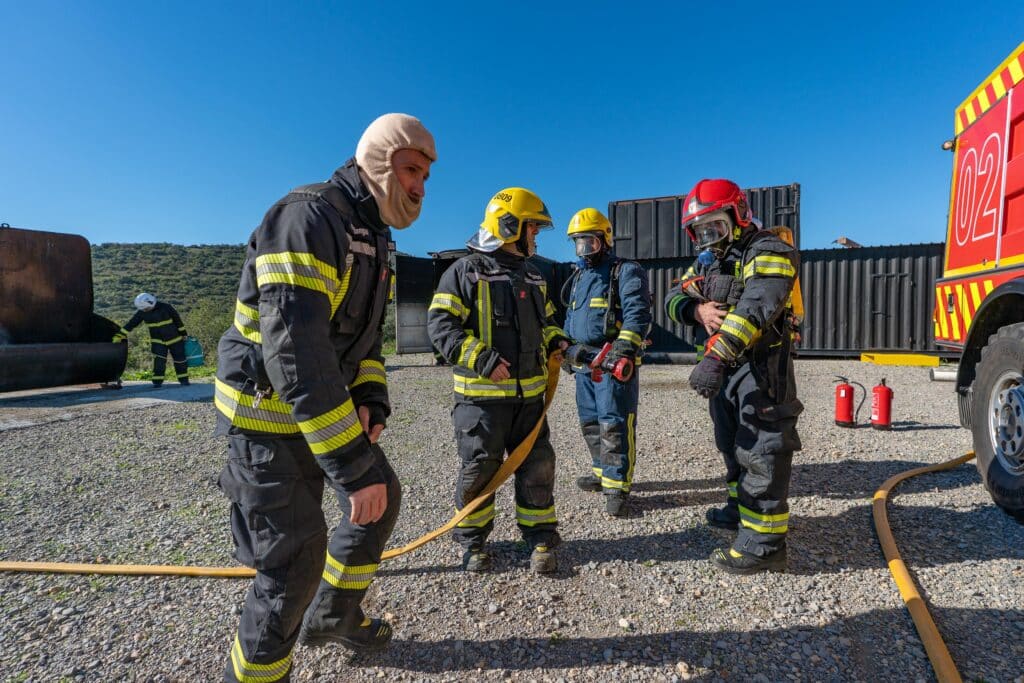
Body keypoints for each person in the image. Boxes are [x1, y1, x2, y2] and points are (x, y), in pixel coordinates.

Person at [213, 113, 436, 682]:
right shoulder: (309, 218)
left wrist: (372, 399)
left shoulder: (375, 236)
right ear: (378, 162)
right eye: (411, 170)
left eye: (426, 176)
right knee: (292, 565)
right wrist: (353, 467)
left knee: (380, 500)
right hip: (267, 418)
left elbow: (363, 343)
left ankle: (333, 616)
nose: (419, 186)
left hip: (318, 410)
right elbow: (297, 356)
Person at [427, 187, 570, 574]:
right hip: (481, 403)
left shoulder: (535, 276)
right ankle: (473, 543)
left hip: (529, 400)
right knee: (480, 469)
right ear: (510, 227)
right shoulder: (465, 272)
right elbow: (440, 326)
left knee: (537, 466)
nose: (536, 236)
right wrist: (482, 358)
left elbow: (550, 322)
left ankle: (540, 538)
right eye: (532, 229)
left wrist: (558, 341)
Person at [664, 178, 802, 575]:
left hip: (760, 371)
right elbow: (676, 296)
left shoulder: (769, 250)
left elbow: (756, 307)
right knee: (730, 443)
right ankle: (739, 510)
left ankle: (764, 544)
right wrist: (697, 312)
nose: (709, 237)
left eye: (716, 226)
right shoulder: (710, 260)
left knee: (762, 449)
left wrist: (717, 357)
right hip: (726, 371)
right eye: (702, 230)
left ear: (738, 216)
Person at [562, 208, 651, 517]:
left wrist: (623, 350)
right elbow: (571, 317)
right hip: (584, 364)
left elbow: (637, 314)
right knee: (590, 421)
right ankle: (601, 472)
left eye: (589, 243)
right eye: (578, 243)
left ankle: (617, 485)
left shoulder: (624, 271)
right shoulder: (580, 276)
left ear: (604, 240)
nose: (583, 250)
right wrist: (565, 347)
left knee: (614, 422)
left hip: (612, 364)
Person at [113, 293, 190, 387]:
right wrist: (120, 335)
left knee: (180, 360)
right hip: (158, 341)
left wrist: (184, 334)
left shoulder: (166, 307)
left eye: (146, 309)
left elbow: (178, 321)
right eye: (144, 309)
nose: (145, 310)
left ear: (151, 303)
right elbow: (131, 323)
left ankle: (184, 380)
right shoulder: (142, 312)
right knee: (159, 362)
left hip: (175, 339)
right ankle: (157, 382)